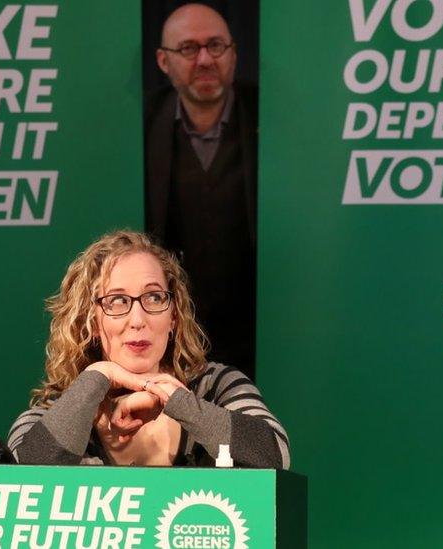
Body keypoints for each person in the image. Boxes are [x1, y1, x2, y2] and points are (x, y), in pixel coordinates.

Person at [8, 231, 288, 468]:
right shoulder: (60, 410)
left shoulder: (215, 386)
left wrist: (177, 401)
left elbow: (276, 454)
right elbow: (22, 479)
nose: (138, 320)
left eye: (154, 297)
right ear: (91, 321)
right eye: (117, 301)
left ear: (174, 316)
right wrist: (98, 375)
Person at [145, 3, 258, 378]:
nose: (205, 59)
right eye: (189, 49)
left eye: (216, 46)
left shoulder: (269, 117)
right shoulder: (138, 128)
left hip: (261, 329)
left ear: (234, 54)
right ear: (164, 61)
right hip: (169, 336)